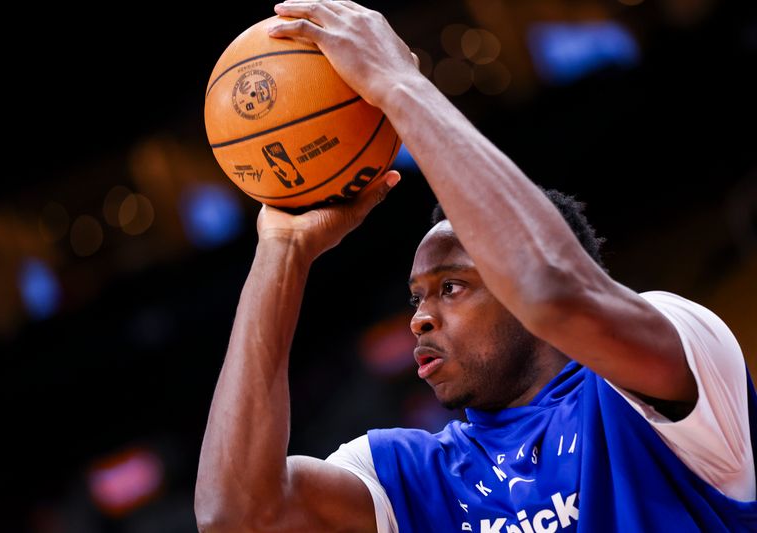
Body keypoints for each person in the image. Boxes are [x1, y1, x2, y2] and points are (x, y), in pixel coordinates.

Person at [194, 1, 757, 531]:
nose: (420, 319)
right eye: (417, 297)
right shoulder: (411, 474)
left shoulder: (667, 360)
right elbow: (236, 514)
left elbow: (551, 289)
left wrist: (400, 86)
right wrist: (284, 250)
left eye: (452, 287)